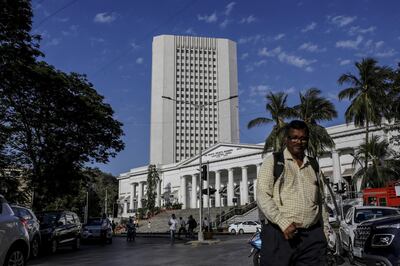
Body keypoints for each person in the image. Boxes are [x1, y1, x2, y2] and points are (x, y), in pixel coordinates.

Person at [256, 120, 329, 266]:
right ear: (286, 140)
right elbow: (262, 195)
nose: (298, 142)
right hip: (280, 235)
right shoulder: (274, 161)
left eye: (303, 138)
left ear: (307, 140)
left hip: (312, 238)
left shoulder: (313, 165)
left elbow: (321, 202)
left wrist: (325, 232)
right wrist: (283, 223)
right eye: (294, 137)